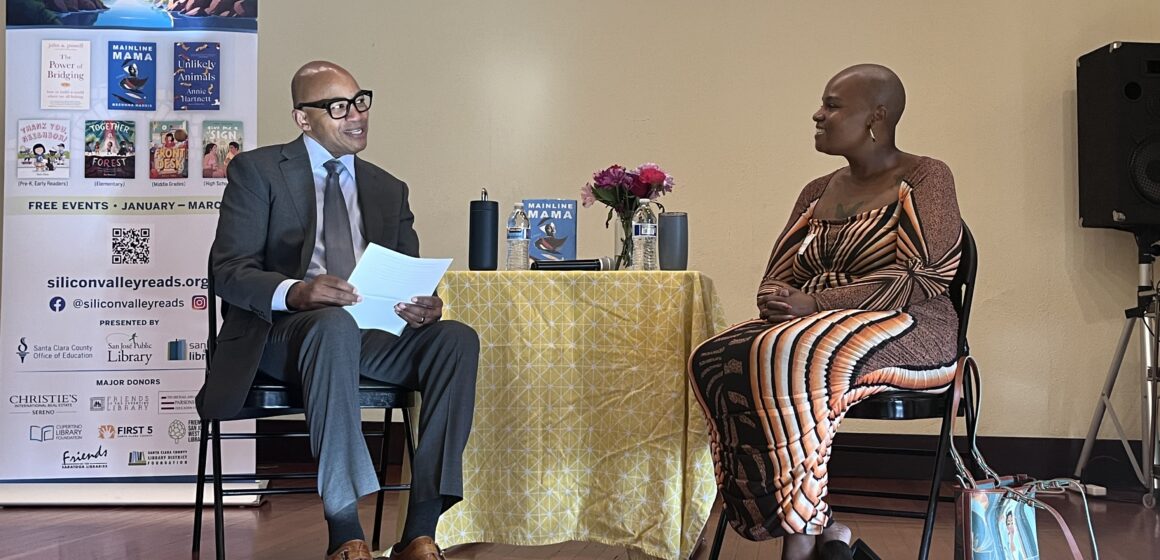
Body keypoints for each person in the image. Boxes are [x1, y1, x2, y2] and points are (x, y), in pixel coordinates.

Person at [197, 61, 479, 560]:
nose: (356, 116)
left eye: (360, 101)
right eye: (338, 107)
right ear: (303, 118)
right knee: (330, 326)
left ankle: (420, 532)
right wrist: (296, 291)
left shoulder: (388, 188)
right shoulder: (257, 171)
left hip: (368, 334)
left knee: (456, 338)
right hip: (281, 336)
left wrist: (424, 305)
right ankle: (345, 531)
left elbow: (407, 273)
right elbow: (229, 271)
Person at [688, 64, 963, 560]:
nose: (818, 114)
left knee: (798, 353)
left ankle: (801, 543)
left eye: (833, 105)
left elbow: (928, 276)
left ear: (877, 116)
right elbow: (777, 275)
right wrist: (780, 299)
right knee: (713, 355)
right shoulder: (817, 191)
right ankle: (816, 527)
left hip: (915, 324)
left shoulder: (925, 176)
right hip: (814, 323)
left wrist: (818, 303)